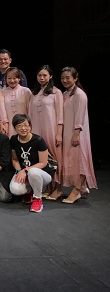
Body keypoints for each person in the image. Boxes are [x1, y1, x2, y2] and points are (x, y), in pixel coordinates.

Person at [59, 66, 97, 204]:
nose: (64, 80)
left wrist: (76, 134)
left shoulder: (80, 95)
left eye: (68, 78)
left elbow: (80, 117)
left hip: (77, 133)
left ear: (75, 78)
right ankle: (82, 187)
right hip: (67, 132)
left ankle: (76, 191)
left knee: (79, 161)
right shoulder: (65, 94)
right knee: (71, 161)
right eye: (62, 78)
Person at [28, 64, 63, 200]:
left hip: (51, 129)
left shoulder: (56, 92)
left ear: (50, 76)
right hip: (37, 130)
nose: (42, 78)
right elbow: (30, 114)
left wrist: (59, 133)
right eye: (39, 75)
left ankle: (58, 188)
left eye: (44, 75)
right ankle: (48, 187)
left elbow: (60, 115)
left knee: (55, 158)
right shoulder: (34, 93)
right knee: (41, 159)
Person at [9, 114, 53, 213]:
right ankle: (29, 192)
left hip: (42, 173)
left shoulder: (38, 140)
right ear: (15, 128)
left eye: (26, 125)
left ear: (30, 126)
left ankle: (37, 199)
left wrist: (25, 170)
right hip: (24, 172)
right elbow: (15, 159)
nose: (23, 128)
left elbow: (43, 163)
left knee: (33, 172)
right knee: (15, 190)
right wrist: (19, 171)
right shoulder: (13, 140)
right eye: (19, 126)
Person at [2, 67, 32, 137]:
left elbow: (30, 110)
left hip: (24, 126)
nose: (12, 81)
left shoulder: (26, 91)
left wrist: (30, 125)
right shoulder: (2, 92)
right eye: (9, 78)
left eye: (14, 78)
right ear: (5, 79)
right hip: (9, 127)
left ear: (19, 78)